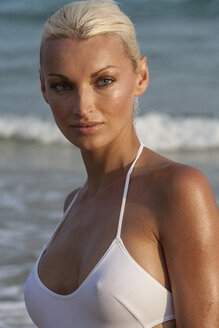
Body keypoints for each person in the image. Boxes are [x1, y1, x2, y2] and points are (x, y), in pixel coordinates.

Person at [24, 1, 219, 327]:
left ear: (141, 77)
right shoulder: (71, 205)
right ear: (44, 87)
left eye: (103, 81)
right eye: (63, 86)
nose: (82, 106)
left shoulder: (179, 190)